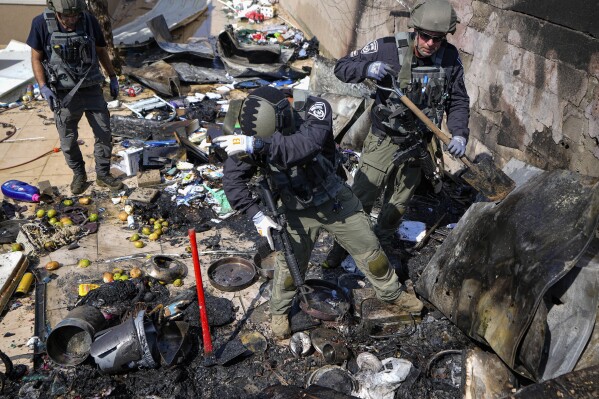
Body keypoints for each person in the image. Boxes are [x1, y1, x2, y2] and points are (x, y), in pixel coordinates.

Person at [214, 86, 423, 339]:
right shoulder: (248, 133)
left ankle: (392, 293)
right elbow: (233, 180)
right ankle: (279, 311)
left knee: (369, 249)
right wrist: (256, 214)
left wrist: (260, 145)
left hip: (333, 197)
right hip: (293, 208)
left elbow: (305, 145)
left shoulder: (313, 108)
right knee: (290, 266)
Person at [327, 0, 470, 268]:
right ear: (415, 30)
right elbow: (342, 67)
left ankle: (380, 245)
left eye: (437, 39)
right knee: (361, 197)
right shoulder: (388, 48)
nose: (430, 44)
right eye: (425, 36)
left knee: (399, 203)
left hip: (418, 145)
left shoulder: (450, 59)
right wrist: (365, 69)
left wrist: (460, 134)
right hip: (384, 139)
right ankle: (342, 247)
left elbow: (459, 101)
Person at [27, 0, 123, 194]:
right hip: (64, 94)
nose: (72, 20)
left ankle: (103, 174)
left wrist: (112, 76)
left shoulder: (88, 20)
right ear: (56, 13)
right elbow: (36, 57)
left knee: (104, 133)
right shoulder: (40, 23)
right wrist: (43, 87)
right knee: (68, 141)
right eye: (67, 17)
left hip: (91, 89)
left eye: (75, 16)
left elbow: (100, 50)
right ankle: (79, 174)